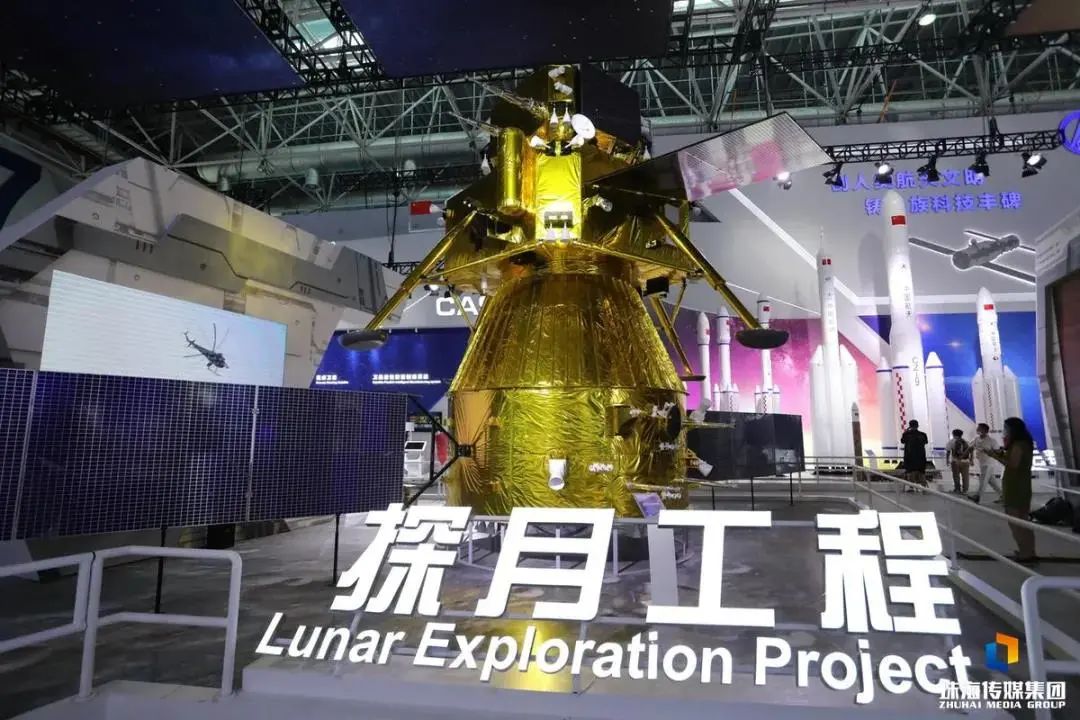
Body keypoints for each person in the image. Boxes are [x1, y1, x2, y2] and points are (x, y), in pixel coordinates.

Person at [990, 417, 1036, 563]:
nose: (1005, 430)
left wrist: (995, 456)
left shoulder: (1017, 445)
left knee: (1015, 521)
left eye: (1006, 428)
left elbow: (1013, 464)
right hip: (1023, 483)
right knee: (1024, 520)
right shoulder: (1025, 444)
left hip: (1014, 485)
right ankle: (1029, 551)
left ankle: (1025, 553)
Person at [970, 422, 1002, 503]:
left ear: (985, 430)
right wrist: (970, 459)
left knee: (983, 480)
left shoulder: (992, 441)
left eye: (979, 428)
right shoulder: (976, 439)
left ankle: (978, 496)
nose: (977, 429)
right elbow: (970, 448)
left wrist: (990, 452)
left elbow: (998, 451)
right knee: (992, 482)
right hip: (981, 463)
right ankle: (1003, 496)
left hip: (989, 464)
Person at [901, 420, 929, 492]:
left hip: (909, 457)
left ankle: (911, 487)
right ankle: (924, 488)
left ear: (910, 426)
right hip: (921, 457)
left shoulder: (906, 434)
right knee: (921, 472)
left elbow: (902, 441)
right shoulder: (923, 434)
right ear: (917, 425)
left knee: (910, 472)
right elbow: (926, 442)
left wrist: (906, 431)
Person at [946, 428, 972, 495]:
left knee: (956, 476)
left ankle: (957, 489)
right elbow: (970, 451)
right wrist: (971, 460)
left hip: (955, 461)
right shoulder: (966, 441)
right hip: (965, 461)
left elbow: (948, 452)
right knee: (965, 477)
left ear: (953, 434)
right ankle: (965, 490)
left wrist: (947, 460)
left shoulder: (951, 442)